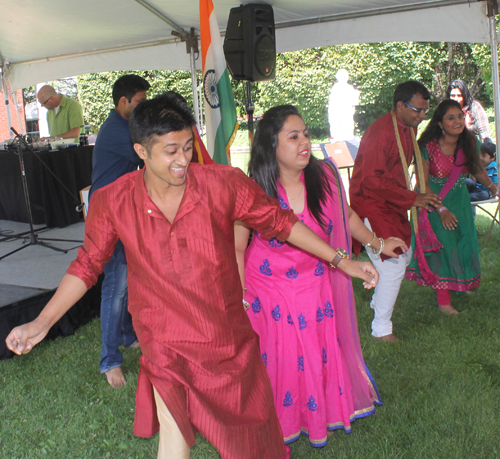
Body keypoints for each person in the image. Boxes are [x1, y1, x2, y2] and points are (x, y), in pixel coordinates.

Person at [6, 93, 379, 459]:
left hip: (225, 340)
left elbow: (281, 222)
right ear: (141, 152)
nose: (183, 160)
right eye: (171, 151)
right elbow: (87, 265)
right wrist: (42, 321)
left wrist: (339, 260)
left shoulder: (223, 183)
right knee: (173, 434)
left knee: (250, 443)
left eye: (187, 146)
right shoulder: (114, 201)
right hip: (164, 340)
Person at [234, 105, 407, 448]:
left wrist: (378, 243)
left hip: (315, 282)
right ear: (271, 146)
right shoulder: (254, 189)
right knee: (279, 358)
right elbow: (237, 247)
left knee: (315, 355)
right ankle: (279, 422)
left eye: (306, 135)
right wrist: (240, 295)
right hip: (268, 287)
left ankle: (316, 415)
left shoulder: (324, 177)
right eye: (293, 136)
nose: (304, 143)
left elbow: (347, 217)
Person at [349, 81, 442, 343]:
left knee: (401, 253)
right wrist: (413, 198)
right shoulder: (381, 133)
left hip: (391, 204)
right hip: (372, 204)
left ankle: (380, 304)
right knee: (393, 263)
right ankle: (381, 329)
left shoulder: (405, 126)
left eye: (426, 110)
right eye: (418, 110)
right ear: (400, 106)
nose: (423, 116)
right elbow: (371, 181)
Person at [406, 100, 500, 314]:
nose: (457, 121)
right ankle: (443, 301)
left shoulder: (469, 141)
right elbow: (423, 183)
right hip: (432, 204)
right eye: (451, 118)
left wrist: (494, 187)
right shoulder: (426, 147)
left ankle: (459, 283)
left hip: (460, 202)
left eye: (460, 116)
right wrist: (441, 210)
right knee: (444, 248)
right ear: (439, 123)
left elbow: (477, 169)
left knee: (462, 242)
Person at [89, 74, 150, 387]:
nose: (143, 107)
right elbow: (150, 156)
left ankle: (126, 335)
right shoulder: (117, 130)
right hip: (106, 217)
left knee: (128, 279)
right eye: (139, 102)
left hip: (122, 212)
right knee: (116, 284)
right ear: (123, 102)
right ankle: (109, 360)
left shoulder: (125, 126)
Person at [328, 69, 360, 141]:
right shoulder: (335, 88)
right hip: (338, 113)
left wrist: (356, 95)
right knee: (337, 132)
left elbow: (354, 102)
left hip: (347, 113)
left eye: (345, 76)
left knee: (348, 130)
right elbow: (333, 103)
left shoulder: (349, 88)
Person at [466, 138, 497, 203]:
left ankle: (463, 198)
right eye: (479, 154)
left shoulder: (494, 167)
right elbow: (473, 182)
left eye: (483, 155)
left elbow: (495, 185)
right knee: (468, 181)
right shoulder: (478, 164)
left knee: (484, 195)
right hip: (476, 189)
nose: (480, 157)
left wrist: (493, 196)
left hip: (485, 192)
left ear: (493, 158)